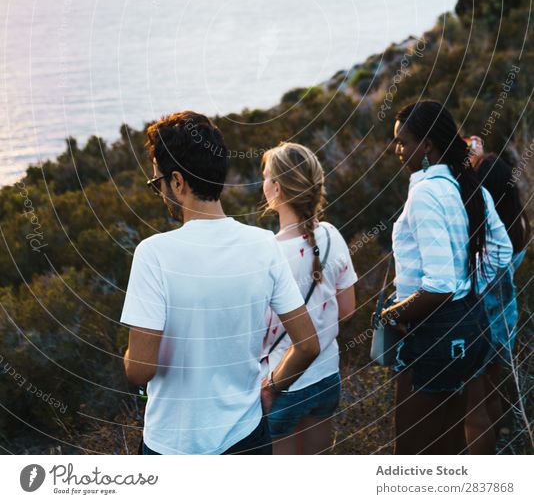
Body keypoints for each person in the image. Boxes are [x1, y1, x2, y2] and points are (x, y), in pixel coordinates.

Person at [120, 111, 320, 455]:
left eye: (158, 183)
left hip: (173, 445)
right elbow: (308, 345)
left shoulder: (154, 254)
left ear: (178, 182)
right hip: (246, 438)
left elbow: (140, 370)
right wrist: (270, 389)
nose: (159, 192)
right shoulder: (263, 245)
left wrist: (129, 354)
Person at [381, 100, 513, 455]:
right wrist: (468, 284)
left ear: (426, 145)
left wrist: (392, 314)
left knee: (409, 457)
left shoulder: (427, 193)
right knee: (450, 447)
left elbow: (438, 286)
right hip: (468, 325)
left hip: (432, 333)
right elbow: (501, 252)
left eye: (403, 141)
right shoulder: (466, 184)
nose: (398, 149)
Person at [260, 142, 357, 454]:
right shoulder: (332, 234)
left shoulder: (268, 254)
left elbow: (256, 333)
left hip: (281, 384)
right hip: (327, 375)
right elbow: (347, 309)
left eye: (265, 177)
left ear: (276, 188)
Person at [473, 153, 531, 445]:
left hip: (482, 323)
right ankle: (499, 445)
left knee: (475, 407)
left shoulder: (489, 236)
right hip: (503, 323)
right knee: (491, 392)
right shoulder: (518, 223)